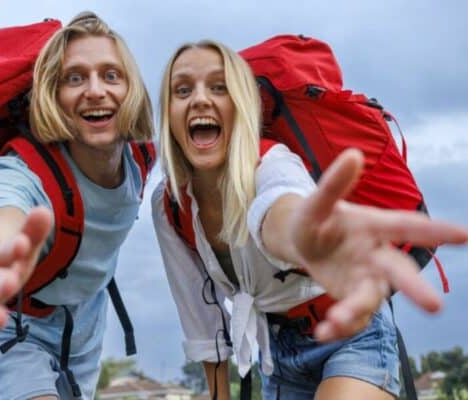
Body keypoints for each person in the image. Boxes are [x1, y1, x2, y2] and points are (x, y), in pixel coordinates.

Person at [151, 40, 468, 400]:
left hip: (353, 334)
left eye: (219, 87)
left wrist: (302, 235)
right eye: (182, 89)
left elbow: (282, 208)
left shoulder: (272, 163)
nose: (200, 99)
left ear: (241, 107)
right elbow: (202, 323)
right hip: (279, 354)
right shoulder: (169, 205)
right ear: (168, 112)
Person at [0, 12, 153, 400]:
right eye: (75, 77)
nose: (95, 90)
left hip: (86, 323)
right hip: (19, 324)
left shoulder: (141, 159)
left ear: (132, 89)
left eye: (111, 75)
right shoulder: (21, 170)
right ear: (53, 95)